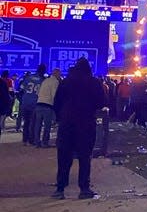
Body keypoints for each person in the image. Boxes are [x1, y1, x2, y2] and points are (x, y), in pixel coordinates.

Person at [51, 58, 105, 199]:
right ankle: (84, 188)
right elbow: (101, 102)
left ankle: (60, 188)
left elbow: (56, 102)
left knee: (64, 157)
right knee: (85, 156)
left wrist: (60, 117)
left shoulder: (66, 82)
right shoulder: (94, 82)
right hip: (86, 123)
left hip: (67, 123)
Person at [34, 67, 61, 147]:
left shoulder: (45, 80)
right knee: (47, 125)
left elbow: (39, 92)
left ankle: (37, 142)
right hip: (47, 105)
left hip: (39, 103)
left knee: (38, 125)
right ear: (56, 74)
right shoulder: (55, 82)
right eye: (59, 74)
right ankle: (45, 142)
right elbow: (54, 94)